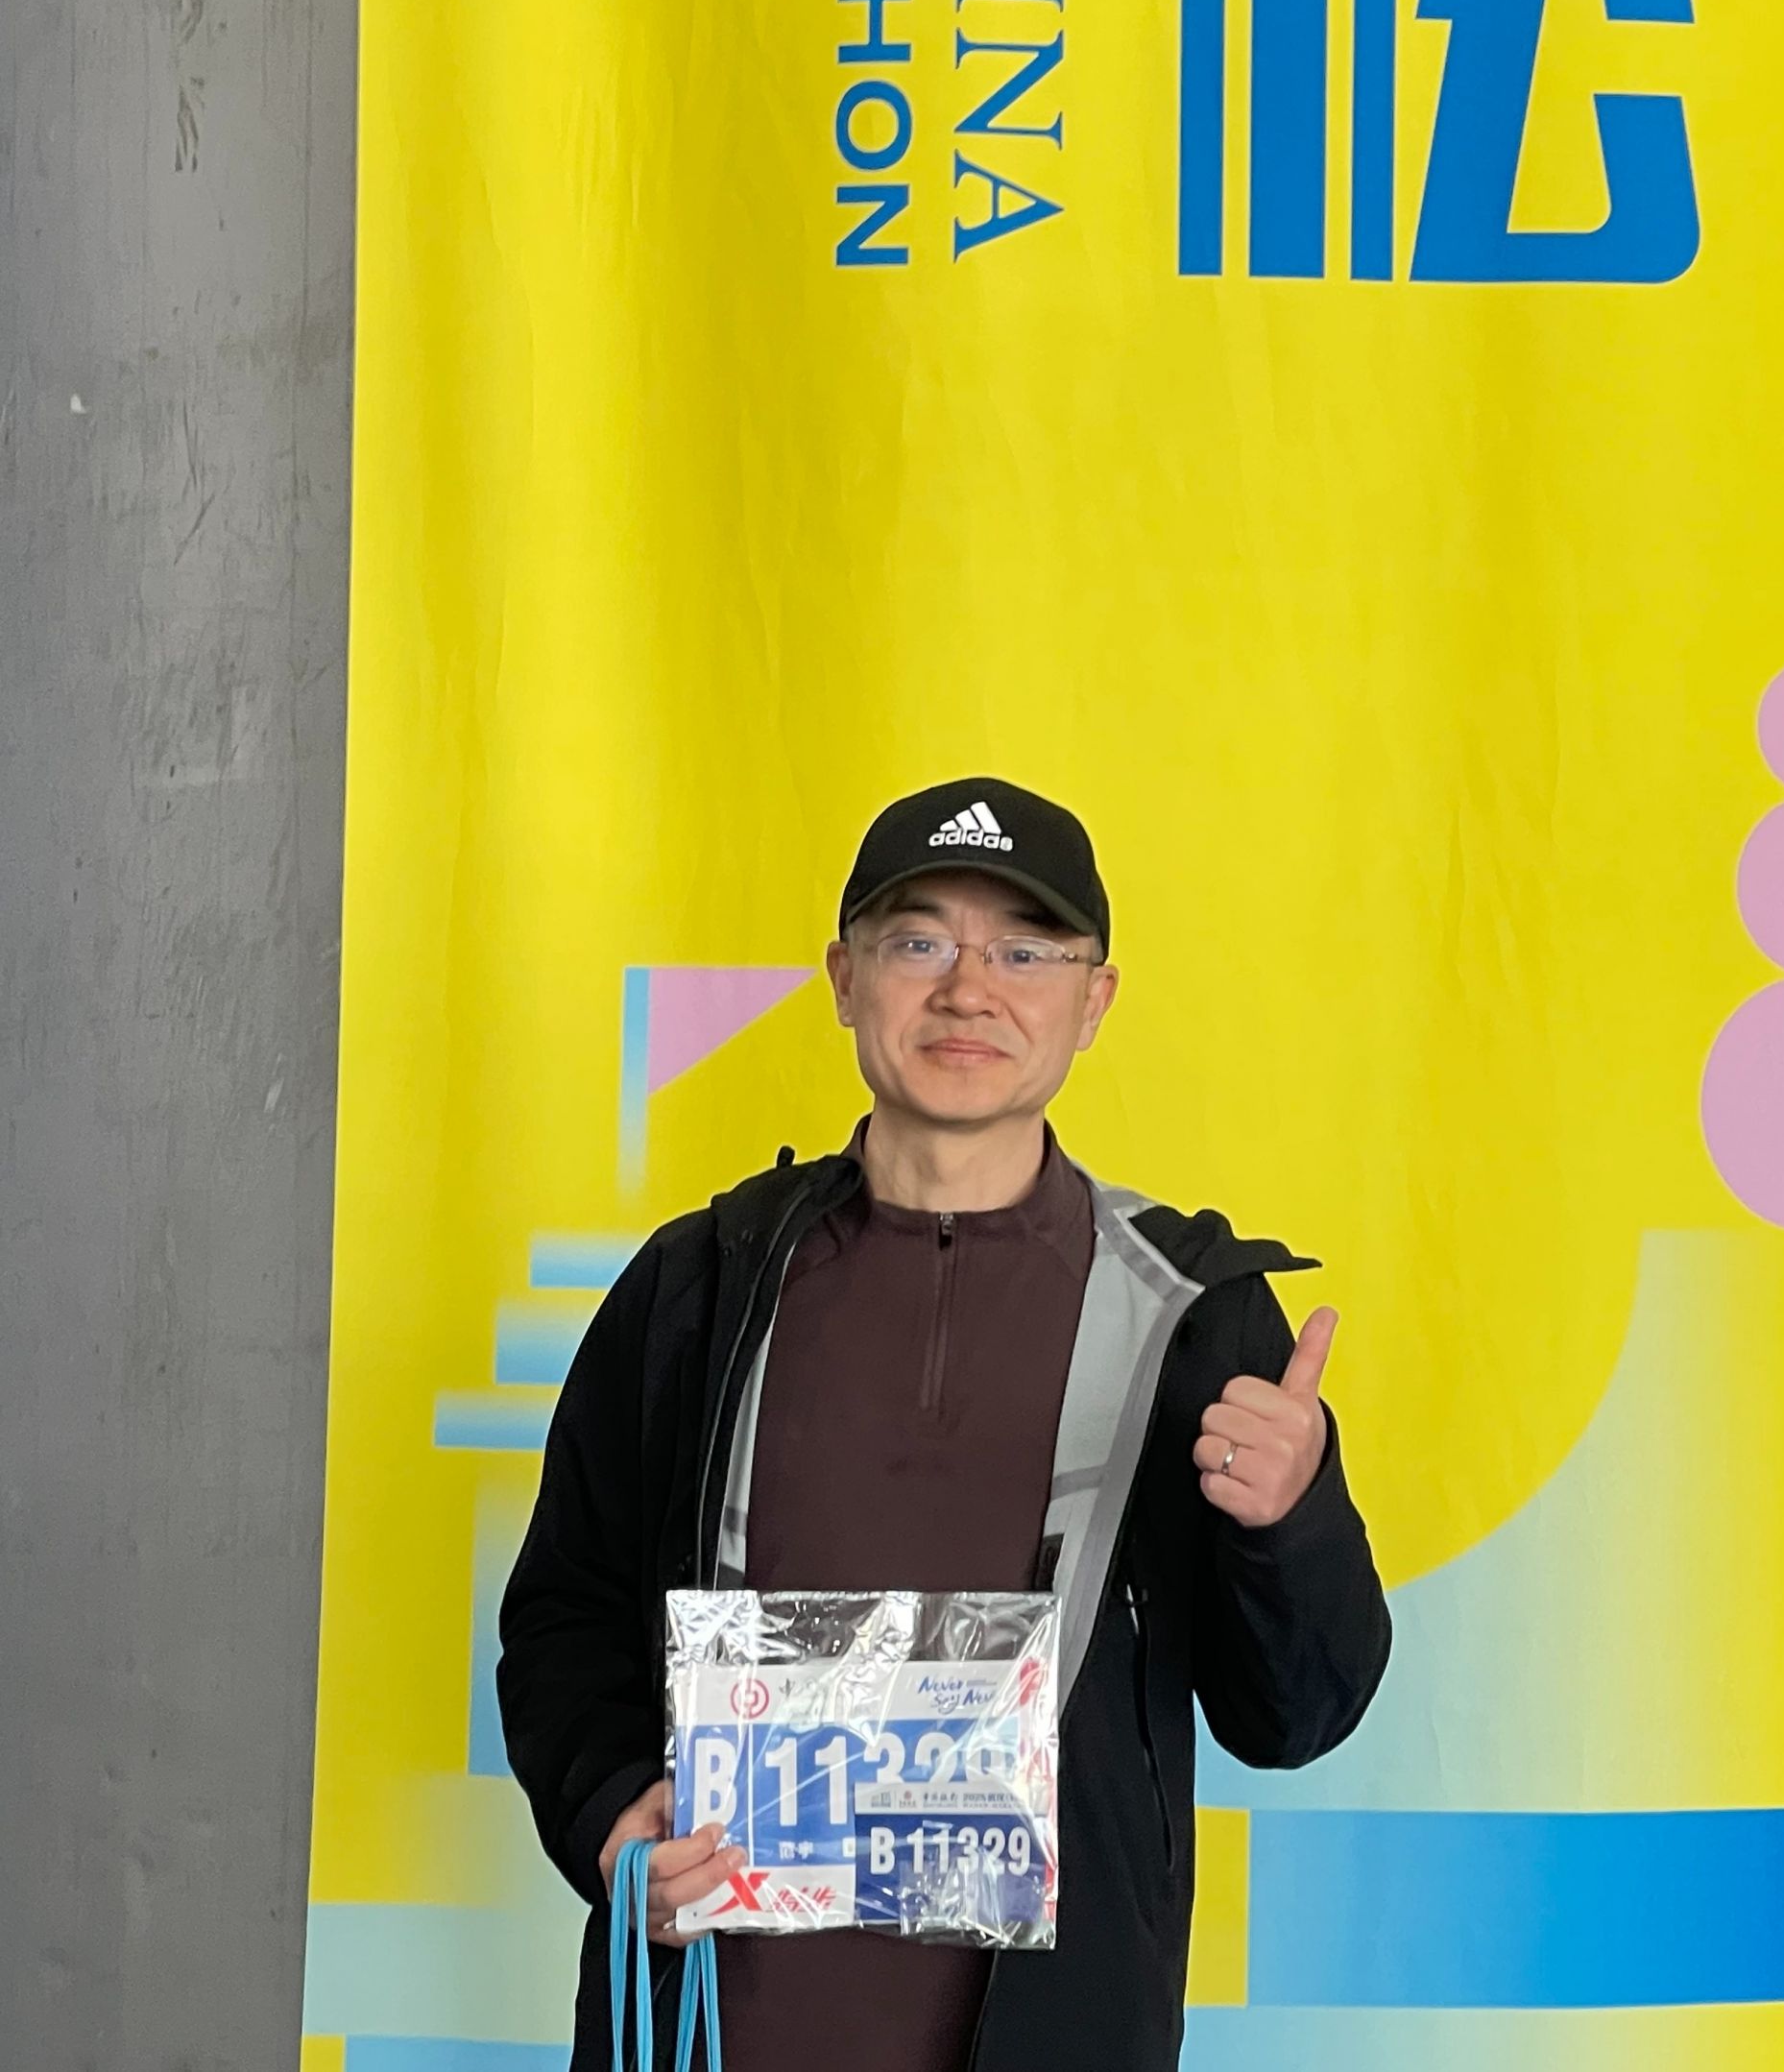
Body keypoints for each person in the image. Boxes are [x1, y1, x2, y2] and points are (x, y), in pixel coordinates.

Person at [497, 777, 1392, 2071]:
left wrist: (1289, 1520)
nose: (969, 989)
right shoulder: (698, 1287)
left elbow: (1295, 1715)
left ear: (1095, 1000)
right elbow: (564, 1613)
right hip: (715, 2028)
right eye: (919, 941)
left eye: (1026, 951)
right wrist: (607, 1806)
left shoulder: (1192, 1317)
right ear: (844, 979)